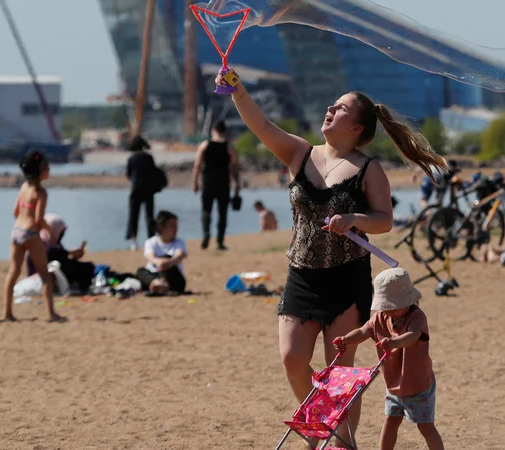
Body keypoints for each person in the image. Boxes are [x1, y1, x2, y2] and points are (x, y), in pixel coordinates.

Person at [217, 67, 447, 448]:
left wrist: (355, 219)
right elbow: (261, 125)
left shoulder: (368, 169)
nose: (329, 109)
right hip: (302, 275)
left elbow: (384, 220)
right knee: (292, 357)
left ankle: (342, 441)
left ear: (356, 128)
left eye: (339, 108)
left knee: (340, 371)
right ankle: (323, 424)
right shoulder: (299, 152)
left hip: (347, 278)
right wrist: (237, 88)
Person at [334, 268, 444, 450]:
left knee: (425, 426)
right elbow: (363, 331)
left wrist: (394, 342)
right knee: (391, 421)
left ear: (408, 301)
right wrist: (346, 339)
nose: (389, 311)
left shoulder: (417, 317)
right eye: (387, 307)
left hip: (418, 385)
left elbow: (412, 336)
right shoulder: (380, 318)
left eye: (394, 306)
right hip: (394, 384)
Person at [2, 151, 65, 323]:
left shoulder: (24, 187)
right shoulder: (42, 192)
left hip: (16, 231)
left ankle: (7, 313)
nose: (49, 170)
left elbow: (15, 211)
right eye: (47, 167)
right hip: (30, 233)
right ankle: (51, 314)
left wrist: (24, 224)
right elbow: (38, 219)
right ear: (40, 171)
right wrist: (49, 232)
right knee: (44, 273)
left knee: (13, 272)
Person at [192, 120, 241, 251]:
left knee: (206, 210)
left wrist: (195, 182)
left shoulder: (205, 145)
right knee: (222, 213)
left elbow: (197, 165)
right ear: (225, 131)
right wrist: (237, 183)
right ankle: (220, 241)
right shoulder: (229, 146)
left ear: (213, 130)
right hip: (223, 182)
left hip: (208, 181)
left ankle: (206, 234)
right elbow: (234, 166)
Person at [27, 213, 95, 295]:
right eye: (61, 233)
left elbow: (62, 258)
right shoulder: (42, 244)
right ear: (53, 230)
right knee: (87, 267)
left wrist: (73, 255)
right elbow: (57, 257)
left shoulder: (49, 242)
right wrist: (69, 254)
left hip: (44, 278)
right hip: (42, 279)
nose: (61, 235)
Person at [136, 210, 188, 294]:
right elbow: (150, 257)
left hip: (173, 278)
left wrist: (169, 262)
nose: (176, 229)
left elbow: (180, 255)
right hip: (154, 275)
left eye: (176, 226)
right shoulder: (151, 242)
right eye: (172, 226)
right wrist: (159, 262)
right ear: (161, 227)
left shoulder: (179, 242)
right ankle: (158, 284)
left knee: (167, 258)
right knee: (140, 271)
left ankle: (162, 285)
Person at [125, 135, 158, 251]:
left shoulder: (132, 158)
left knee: (133, 216)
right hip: (149, 189)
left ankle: (134, 241)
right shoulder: (149, 157)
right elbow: (154, 172)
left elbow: (128, 174)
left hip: (135, 189)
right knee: (149, 216)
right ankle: (151, 239)